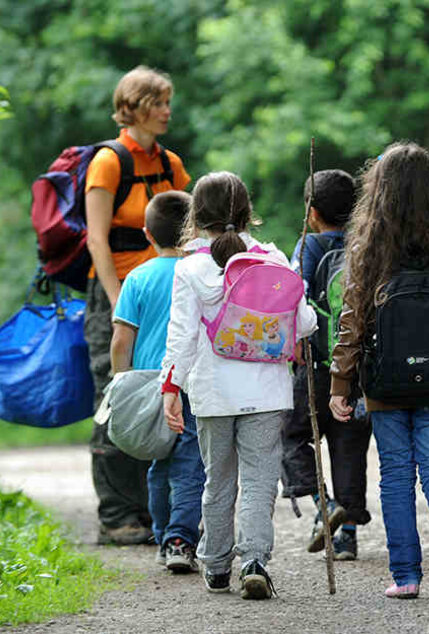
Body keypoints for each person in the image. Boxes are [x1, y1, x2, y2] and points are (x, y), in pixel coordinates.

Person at [328, 143, 429, 599]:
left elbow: (352, 322)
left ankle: (406, 576)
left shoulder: (368, 249)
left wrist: (341, 383)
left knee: (395, 474)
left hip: (385, 381)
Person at [161, 172, 317, 599]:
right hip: (266, 391)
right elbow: (303, 322)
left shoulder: (190, 269)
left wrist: (170, 389)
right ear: (249, 214)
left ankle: (215, 563)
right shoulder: (272, 258)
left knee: (218, 480)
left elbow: (181, 337)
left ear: (197, 216)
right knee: (261, 478)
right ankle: (254, 561)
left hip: (212, 393)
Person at [85, 66, 191, 545]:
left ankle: (158, 511)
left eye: (168, 102)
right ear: (137, 106)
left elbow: (189, 224)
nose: (168, 111)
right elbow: (96, 240)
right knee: (117, 396)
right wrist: (113, 303)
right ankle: (117, 516)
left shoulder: (169, 163)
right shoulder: (108, 162)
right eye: (160, 102)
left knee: (166, 394)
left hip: (166, 291)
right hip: (117, 291)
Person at [110, 191, 203, 572]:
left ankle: (166, 536)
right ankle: (179, 538)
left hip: (150, 385)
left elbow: (120, 340)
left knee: (159, 464)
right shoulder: (199, 272)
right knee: (190, 461)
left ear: (147, 234)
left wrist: (121, 382)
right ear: (192, 230)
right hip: (193, 382)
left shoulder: (137, 277)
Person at [282, 169, 372, 560]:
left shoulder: (307, 246)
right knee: (349, 446)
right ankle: (347, 534)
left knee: (291, 436)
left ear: (311, 211)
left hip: (315, 364)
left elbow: (292, 297)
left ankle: (324, 505)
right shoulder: (364, 247)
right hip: (355, 367)